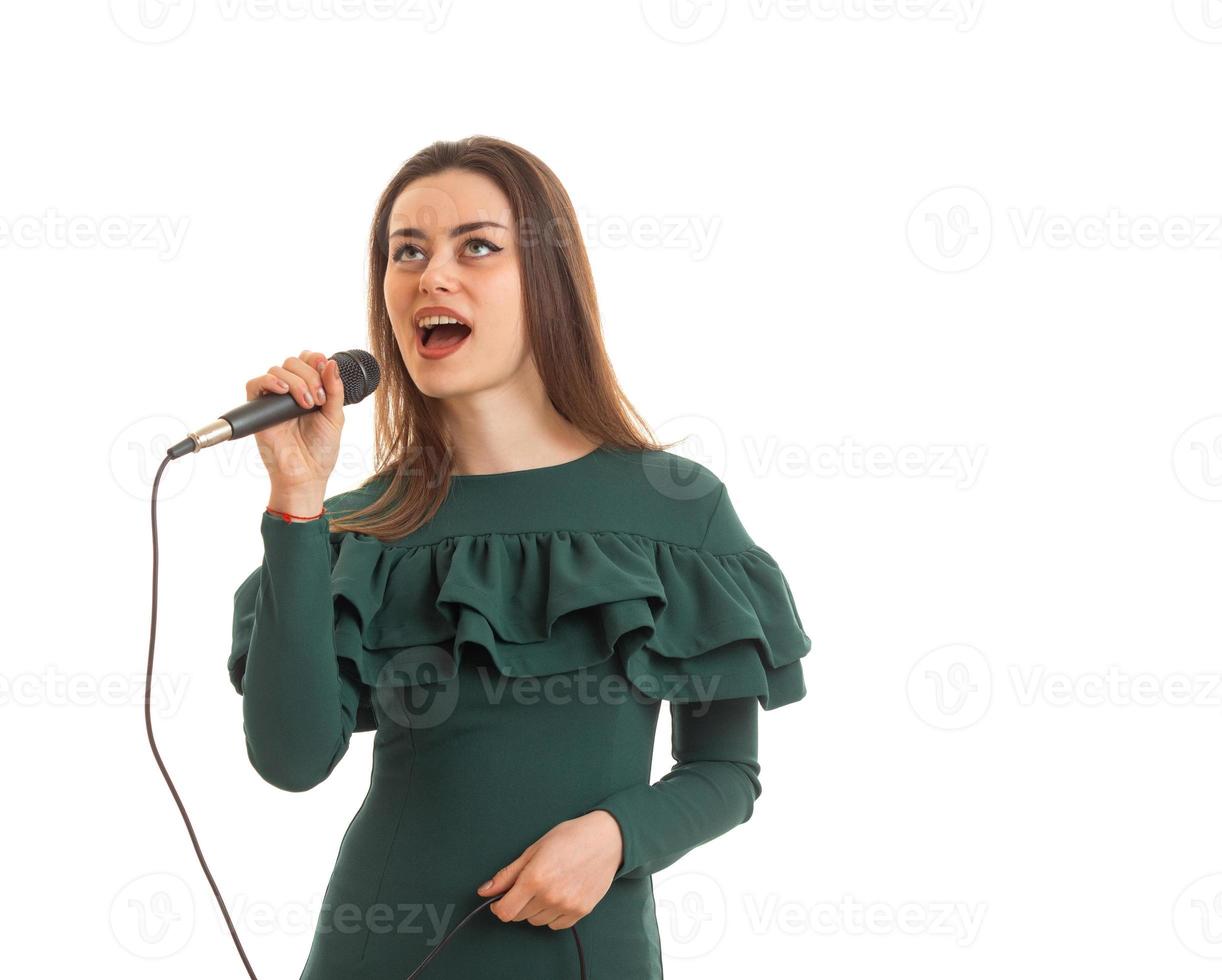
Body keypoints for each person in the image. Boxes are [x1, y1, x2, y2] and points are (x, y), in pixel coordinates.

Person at [228, 135, 813, 979]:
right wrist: (296, 500)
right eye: (407, 252)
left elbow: (726, 770)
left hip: (587, 956)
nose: (432, 275)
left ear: (549, 282)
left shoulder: (674, 506)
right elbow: (290, 760)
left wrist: (616, 837)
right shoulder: (354, 525)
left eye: (477, 246)